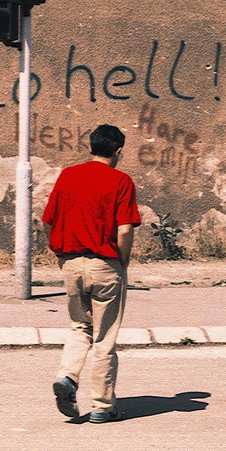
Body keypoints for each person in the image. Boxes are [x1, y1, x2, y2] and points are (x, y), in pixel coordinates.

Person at [42, 124, 142, 423]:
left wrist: (60, 252)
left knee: (78, 327)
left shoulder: (68, 176)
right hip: (105, 265)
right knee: (104, 337)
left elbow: (48, 220)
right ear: (119, 151)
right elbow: (124, 229)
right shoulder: (121, 181)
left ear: (90, 147)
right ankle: (101, 405)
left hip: (71, 263)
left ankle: (67, 376)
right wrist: (122, 262)